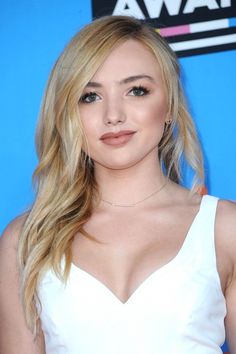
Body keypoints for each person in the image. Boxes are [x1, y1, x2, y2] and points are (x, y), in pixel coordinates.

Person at [0, 15, 236, 354]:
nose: (113, 115)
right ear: (68, 112)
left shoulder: (225, 229)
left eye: (136, 90)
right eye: (89, 96)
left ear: (169, 105)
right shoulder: (26, 241)